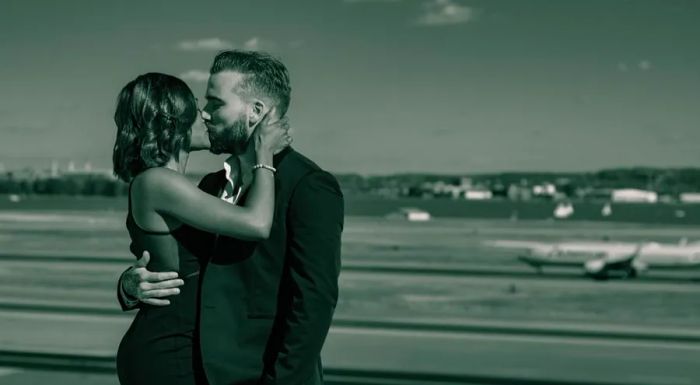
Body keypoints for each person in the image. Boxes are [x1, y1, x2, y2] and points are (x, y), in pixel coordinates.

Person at [118, 51, 345, 385]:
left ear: (255, 112)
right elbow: (185, 267)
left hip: (260, 374)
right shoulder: (209, 185)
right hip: (194, 368)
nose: (205, 115)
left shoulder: (308, 186)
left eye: (215, 103)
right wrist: (131, 285)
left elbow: (313, 303)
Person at [112, 72, 291, 385]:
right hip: (169, 350)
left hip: (179, 345)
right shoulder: (157, 182)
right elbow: (257, 224)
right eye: (197, 110)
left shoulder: (177, 187)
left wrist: (128, 286)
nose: (206, 115)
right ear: (171, 122)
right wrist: (264, 155)